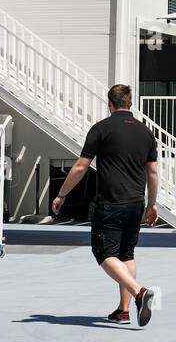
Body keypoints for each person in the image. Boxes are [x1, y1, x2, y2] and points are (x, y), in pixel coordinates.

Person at [53, 84, 159, 327]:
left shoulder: (101, 129)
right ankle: (123, 312)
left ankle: (139, 292)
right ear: (130, 103)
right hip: (135, 203)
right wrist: (152, 205)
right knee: (126, 254)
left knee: (103, 253)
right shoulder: (145, 133)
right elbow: (152, 172)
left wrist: (62, 195)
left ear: (110, 103)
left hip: (110, 203)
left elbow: (81, 167)